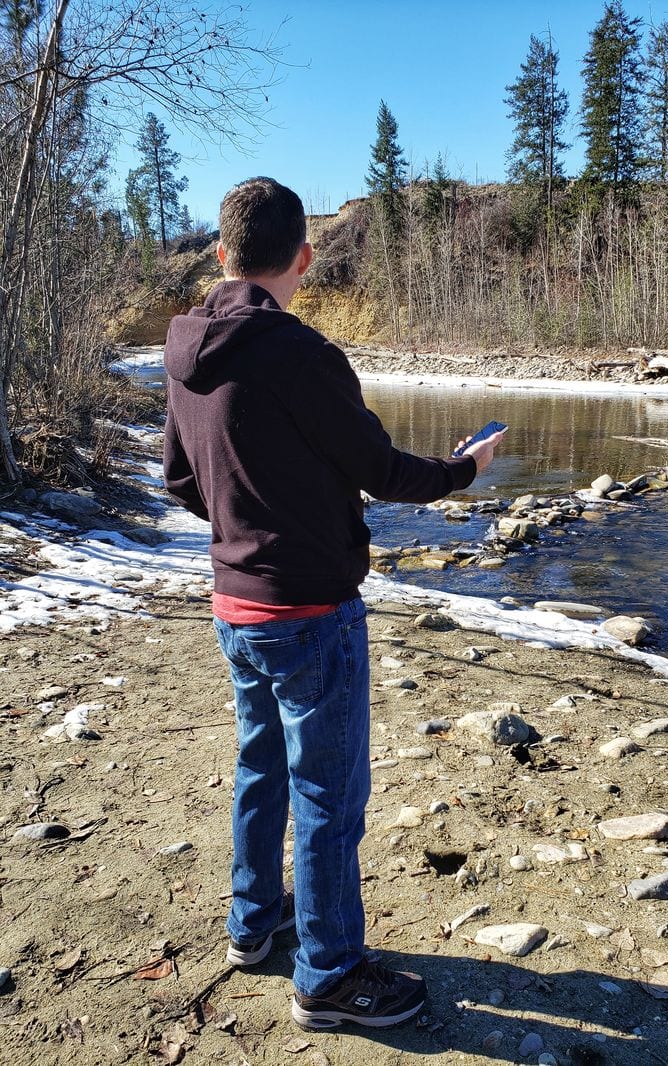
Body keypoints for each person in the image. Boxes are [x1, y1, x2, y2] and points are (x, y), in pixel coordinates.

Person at [163, 177, 504, 1032]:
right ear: (303, 258)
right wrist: (465, 471)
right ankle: (328, 976)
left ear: (222, 253)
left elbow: (180, 479)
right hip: (310, 614)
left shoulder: (182, 345)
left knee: (261, 768)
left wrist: (249, 523)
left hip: (234, 606)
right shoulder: (303, 353)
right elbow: (381, 470)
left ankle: (254, 926)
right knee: (326, 797)